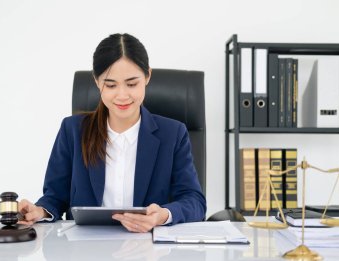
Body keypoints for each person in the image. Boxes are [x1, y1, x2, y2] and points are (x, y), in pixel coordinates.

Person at [18, 33, 206, 232]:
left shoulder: (173, 134)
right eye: (110, 85)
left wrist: (163, 216)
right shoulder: (73, 130)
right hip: (86, 248)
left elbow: (194, 201)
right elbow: (55, 197)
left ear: (148, 76)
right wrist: (40, 211)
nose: (122, 95)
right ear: (97, 81)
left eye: (132, 84)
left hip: (149, 248)